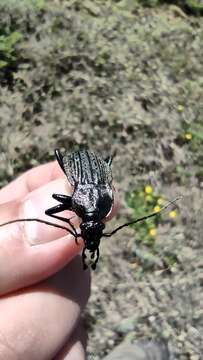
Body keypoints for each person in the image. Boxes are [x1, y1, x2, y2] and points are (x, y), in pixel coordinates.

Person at [0, 161, 117, 359]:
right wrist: (71, 224)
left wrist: (72, 226)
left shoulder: (103, 204)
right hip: (89, 173)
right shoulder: (104, 203)